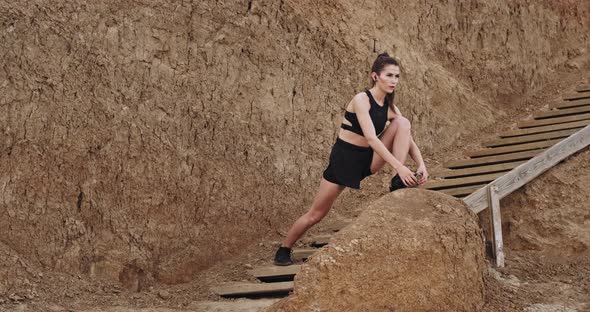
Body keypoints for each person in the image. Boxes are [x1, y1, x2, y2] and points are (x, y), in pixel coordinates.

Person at [274, 53, 429, 266]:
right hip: (345, 159)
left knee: (402, 123)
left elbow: (408, 138)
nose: (394, 80)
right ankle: (284, 249)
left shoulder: (390, 107)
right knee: (316, 214)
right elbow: (372, 139)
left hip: (367, 159)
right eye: (389, 75)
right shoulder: (361, 100)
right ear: (375, 76)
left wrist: (421, 164)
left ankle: (397, 181)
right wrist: (401, 165)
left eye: (397, 76)